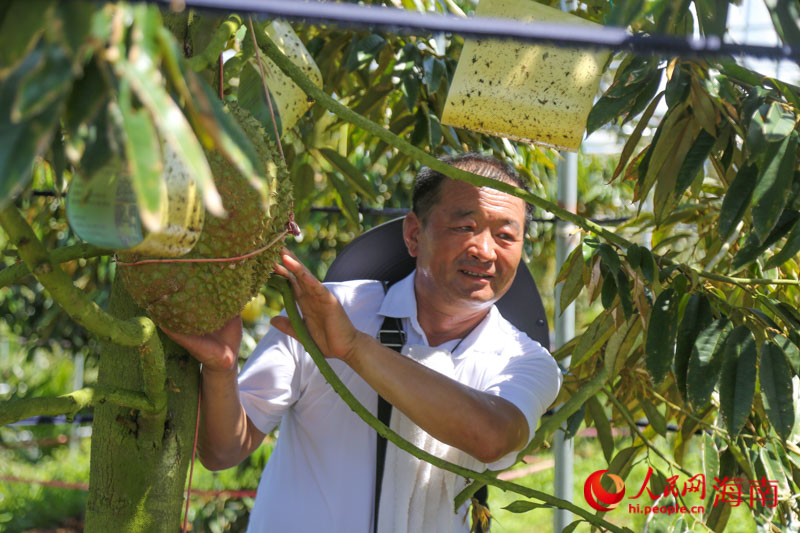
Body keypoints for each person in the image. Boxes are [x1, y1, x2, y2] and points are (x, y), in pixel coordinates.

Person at [163, 152, 562, 533]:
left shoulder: (526, 361)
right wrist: (220, 371)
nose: (485, 249)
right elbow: (221, 451)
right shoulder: (324, 313)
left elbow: (491, 437)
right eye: (464, 227)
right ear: (413, 234)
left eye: (506, 235)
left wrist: (354, 348)